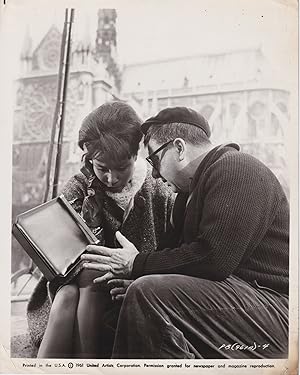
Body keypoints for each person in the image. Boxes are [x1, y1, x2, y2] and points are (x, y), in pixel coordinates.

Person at [82, 106, 289, 359]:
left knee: (147, 292)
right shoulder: (188, 194)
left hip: (277, 311)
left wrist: (137, 264)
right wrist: (137, 278)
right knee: (130, 299)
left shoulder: (237, 168)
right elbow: (183, 261)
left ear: (179, 148)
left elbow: (214, 260)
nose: (155, 174)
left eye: (155, 160)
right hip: (245, 305)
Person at [27, 101, 175, 358]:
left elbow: (172, 255)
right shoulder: (79, 186)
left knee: (71, 297)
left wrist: (138, 277)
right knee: (73, 290)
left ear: (136, 155)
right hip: (74, 287)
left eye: (121, 169)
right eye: (102, 169)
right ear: (88, 157)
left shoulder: (158, 189)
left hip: (131, 291)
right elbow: (58, 261)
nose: (111, 178)